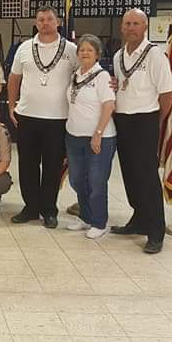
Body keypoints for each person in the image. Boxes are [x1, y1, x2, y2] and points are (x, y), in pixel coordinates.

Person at [7, 5, 78, 229]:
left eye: (49, 19)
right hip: (27, 115)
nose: (45, 23)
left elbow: (84, 75)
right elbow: (14, 78)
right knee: (27, 165)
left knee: (52, 166)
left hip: (58, 119)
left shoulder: (72, 49)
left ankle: (49, 210)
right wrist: (11, 106)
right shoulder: (24, 48)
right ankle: (30, 207)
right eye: (41, 19)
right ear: (36, 23)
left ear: (58, 22)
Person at [110, 9, 172, 254]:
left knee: (147, 176)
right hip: (123, 119)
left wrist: (158, 121)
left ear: (145, 27)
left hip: (146, 120)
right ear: (121, 27)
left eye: (136, 23)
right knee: (130, 173)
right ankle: (138, 218)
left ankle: (156, 230)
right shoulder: (118, 56)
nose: (131, 28)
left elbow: (166, 93)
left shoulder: (155, 55)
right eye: (127, 23)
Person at [64, 34, 117, 239]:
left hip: (99, 138)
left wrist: (98, 133)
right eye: (81, 50)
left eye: (89, 50)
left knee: (96, 181)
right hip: (74, 136)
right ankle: (85, 216)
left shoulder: (102, 77)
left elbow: (109, 105)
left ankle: (99, 221)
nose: (84, 53)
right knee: (77, 179)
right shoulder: (75, 75)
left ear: (97, 54)